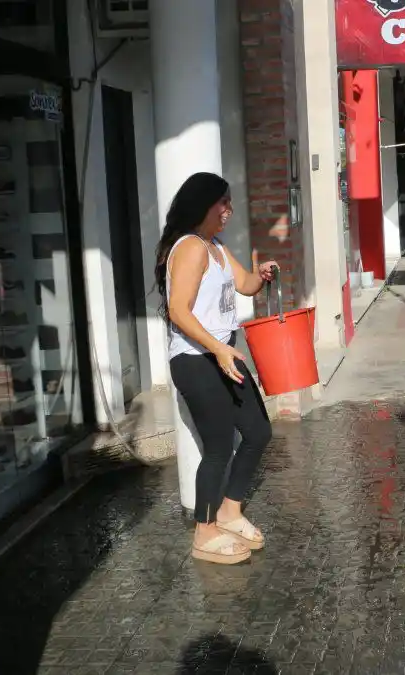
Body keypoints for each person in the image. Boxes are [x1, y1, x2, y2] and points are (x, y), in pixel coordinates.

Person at [155, 172, 278, 565]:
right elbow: (178, 311)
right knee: (220, 447)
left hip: (223, 355)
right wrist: (217, 350)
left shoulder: (216, 248)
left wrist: (260, 277)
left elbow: (242, 284)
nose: (229, 210)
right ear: (203, 204)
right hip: (196, 360)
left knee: (259, 432)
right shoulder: (190, 247)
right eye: (223, 202)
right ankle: (204, 531)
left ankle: (230, 511)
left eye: (229, 202)